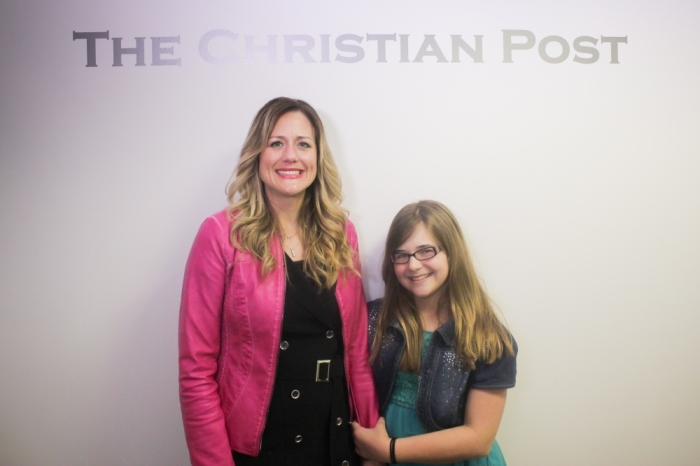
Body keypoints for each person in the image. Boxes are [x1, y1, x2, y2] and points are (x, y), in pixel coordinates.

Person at [179, 97, 379, 466]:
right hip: (259, 445)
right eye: (276, 143)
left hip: (335, 437)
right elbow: (196, 371)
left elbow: (355, 353)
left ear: (318, 158)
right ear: (258, 154)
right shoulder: (220, 234)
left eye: (303, 144)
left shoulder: (340, 233)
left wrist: (372, 441)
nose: (291, 156)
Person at [352, 200, 517, 466]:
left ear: (451, 253)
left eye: (426, 251)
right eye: (401, 255)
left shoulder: (487, 338)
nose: (414, 265)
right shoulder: (373, 319)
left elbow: (479, 438)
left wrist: (388, 451)